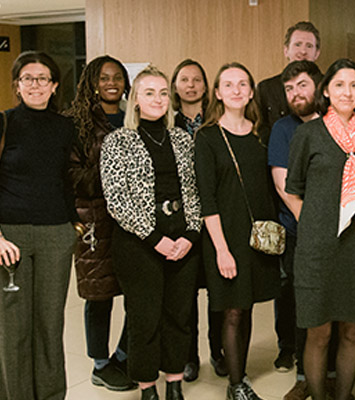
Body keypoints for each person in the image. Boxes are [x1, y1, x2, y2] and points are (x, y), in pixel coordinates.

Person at [100, 65, 202, 400]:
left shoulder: (182, 139)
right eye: (149, 93)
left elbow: (195, 190)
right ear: (135, 100)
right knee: (145, 319)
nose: (157, 99)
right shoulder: (118, 141)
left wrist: (190, 234)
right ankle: (147, 388)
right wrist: (155, 239)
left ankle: (174, 383)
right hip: (139, 244)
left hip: (183, 241)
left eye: (162, 93)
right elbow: (116, 200)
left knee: (179, 315)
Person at [285, 58, 355, 400]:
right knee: (320, 333)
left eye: (354, 85)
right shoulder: (307, 134)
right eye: (339, 84)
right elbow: (292, 188)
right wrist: (315, 225)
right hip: (317, 249)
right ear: (325, 90)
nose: (347, 91)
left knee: (353, 332)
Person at [194, 62, 280, 400]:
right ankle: (236, 384)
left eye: (242, 84)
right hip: (225, 236)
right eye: (228, 84)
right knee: (231, 308)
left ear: (251, 91)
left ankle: (238, 369)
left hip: (258, 236)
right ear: (217, 92)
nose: (236, 90)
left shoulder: (262, 134)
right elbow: (207, 198)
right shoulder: (208, 137)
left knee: (247, 307)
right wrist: (221, 249)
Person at [0, 50, 78, 400]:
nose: (35, 85)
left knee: (50, 325)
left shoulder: (64, 126)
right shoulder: (3, 122)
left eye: (42, 78)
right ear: (17, 85)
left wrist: (72, 228)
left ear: (54, 85)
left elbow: (68, 180)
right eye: (27, 78)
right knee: (13, 327)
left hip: (55, 235)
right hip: (10, 237)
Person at [65, 54, 135, 392]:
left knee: (140, 291)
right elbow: (72, 176)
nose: (112, 83)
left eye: (118, 77)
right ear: (92, 82)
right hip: (95, 219)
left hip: (134, 219)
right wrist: (112, 172)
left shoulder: (133, 117)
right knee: (99, 294)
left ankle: (123, 354)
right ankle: (100, 363)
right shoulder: (76, 122)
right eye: (104, 77)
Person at [267, 60, 326, 400]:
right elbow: (283, 184)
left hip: (341, 233)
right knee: (305, 305)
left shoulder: (337, 121)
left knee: (333, 306)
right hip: (299, 231)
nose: (295, 93)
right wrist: (314, 225)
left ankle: (329, 373)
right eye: (289, 88)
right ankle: (305, 377)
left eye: (302, 85)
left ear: (318, 86)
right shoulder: (282, 129)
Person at [169, 58, 227, 382]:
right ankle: (188, 356)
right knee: (184, 295)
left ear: (206, 87)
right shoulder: (166, 122)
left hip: (215, 214)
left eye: (196, 80)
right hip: (181, 222)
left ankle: (217, 351)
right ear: (175, 87)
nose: (190, 85)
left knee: (218, 291)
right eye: (184, 80)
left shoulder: (218, 122)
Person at [257, 21, 321, 147]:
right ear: (286, 50)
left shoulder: (327, 85)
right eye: (297, 44)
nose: (303, 51)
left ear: (317, 53)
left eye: (309, 46)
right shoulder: (266, 88)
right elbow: (260, 129)